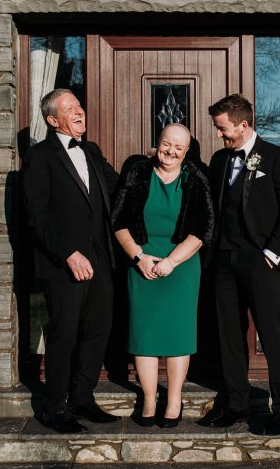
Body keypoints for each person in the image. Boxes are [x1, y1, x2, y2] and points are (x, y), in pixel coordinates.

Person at [205, 93, 280, 436]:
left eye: (222, 128)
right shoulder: (219, 161)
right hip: (223, 261)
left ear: (243, 124)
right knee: (229, 334)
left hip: (261, 261)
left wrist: (271, 256)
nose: (219, 135)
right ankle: (237, 404)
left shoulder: (277, 157)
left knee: (271, 334)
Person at [23, 88, 120, 434]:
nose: (80, 111)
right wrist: (67, 253)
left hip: (101, 261)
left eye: (79, 105)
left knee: (99, 329)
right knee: (64, 335)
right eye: (70, 108)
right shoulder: (40, 156)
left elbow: (121, 188)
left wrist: (162, 166)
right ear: (52, 120)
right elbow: (38, 215)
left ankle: (83, 397)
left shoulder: (91, 150)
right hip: (63, 265)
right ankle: (55, 407)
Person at [112, 123, 214, 428]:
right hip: (141, 263)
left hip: (181, 266)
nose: (170, 151)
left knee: (177, 336)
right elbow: (117, 221)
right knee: (144, 336)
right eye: (166, 144)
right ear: (157, 143)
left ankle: (173, 400)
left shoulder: (195, 179)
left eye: (178, 147)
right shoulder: (137, 172)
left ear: (186, 152)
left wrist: (171, 262)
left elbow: (203, 229)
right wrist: (139, 257)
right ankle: (149, 398)